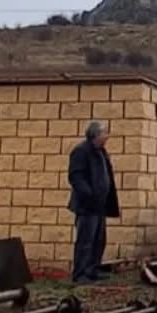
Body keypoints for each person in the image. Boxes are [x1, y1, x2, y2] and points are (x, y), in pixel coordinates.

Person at [66, 119, 119, 285]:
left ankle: (93, 269)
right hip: (87, 206)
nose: (107, 136)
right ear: (95, 135)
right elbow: (76, 177)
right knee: (85, 241)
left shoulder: (102, 152)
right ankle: (80, 273)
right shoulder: (81, 151)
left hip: (100, 206)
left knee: (99, 240)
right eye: (105, 133)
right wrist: (89, 195)